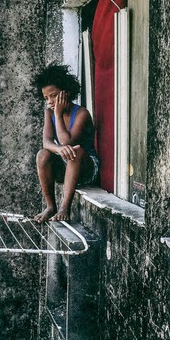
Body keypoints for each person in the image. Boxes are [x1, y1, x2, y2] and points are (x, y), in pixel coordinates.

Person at [33, 64, 99, 223]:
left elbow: (66, 141)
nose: (49, 102)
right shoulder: (49, 114)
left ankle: (64, 208)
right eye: (46, 98)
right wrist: (58, 149)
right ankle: (50, 206)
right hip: (65, 168)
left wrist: (58, 113)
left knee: (74, 152)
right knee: (42, 155)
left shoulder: (82, 114)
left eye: (53, 96)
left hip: (85, 169)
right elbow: (46, 142)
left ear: (66, 92)